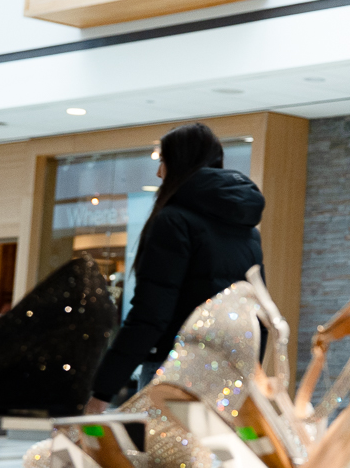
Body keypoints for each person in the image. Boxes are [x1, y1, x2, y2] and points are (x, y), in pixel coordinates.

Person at [85, 122, 265, 411]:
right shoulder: (247, 230)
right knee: (208, 455)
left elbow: (150, 314)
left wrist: (102, 391)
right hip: (228, 374)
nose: (158, 173)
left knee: (159, 455)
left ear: (180, 163)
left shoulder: (173, 221)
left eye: (163, 161)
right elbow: (255, 310)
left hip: (172, 371)